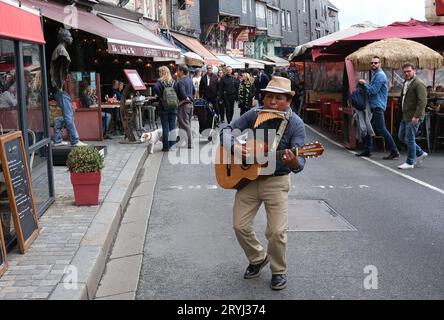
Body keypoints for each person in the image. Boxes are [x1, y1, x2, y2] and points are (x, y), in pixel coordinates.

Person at [220, 76, 306, 291]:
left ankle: (278, 270)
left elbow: (300, 163)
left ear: (288, 101)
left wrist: (294, 160)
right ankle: (258, 257)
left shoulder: (295, 124)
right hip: (248, 180)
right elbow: (226, 130)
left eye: (278, 98)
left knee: (276, 232)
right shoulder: (255, 113)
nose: (272, 102)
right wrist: (236, 149)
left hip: (276, 181)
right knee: (239, 225)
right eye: (269, 96)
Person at [357, 56, 399, 159]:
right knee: (368, 127)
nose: (373, 64)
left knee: (381, 128)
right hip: (374, 105)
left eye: (375, 63)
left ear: (380, 64)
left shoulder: (380, 75)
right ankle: (368, 150)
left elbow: (373, 90)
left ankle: (394, 150)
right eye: (372, 63)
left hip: (377, 106)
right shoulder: (376, 75)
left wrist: (364, 83)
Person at [50, 28, 86, 147]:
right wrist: (62, 87)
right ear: (64, 37)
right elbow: (61, 73)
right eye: (69, 36)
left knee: (67, 114)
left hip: (59, 89)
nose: (71, 38)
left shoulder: (60, 50)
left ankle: (57, 139)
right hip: (60, 89)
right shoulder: (61, 51)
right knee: (68, 115)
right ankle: (75, 140)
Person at [397, 63, 428, 169]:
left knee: (410, 139)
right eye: (405, 72)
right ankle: (420, 153)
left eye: (408, 71)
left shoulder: (418, 83)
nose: (406, 73)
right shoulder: (407, 82)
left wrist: (417, 116)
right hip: (406, 115)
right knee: (401, 137)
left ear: (414, 70)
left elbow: (423, 101)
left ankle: (410, 162)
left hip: (413, 116)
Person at [154, 66, 178, 152]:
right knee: (172, 126)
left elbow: (155, 88)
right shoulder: (173, 82)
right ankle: (173, 145)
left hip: (163, 107)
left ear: (161, 73)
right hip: (173, 106)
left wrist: (160, 96)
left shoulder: (159, 82)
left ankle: (166, 147)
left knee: (165, 127)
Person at [176, 65, 195, 149]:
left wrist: (186, 98)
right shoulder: (190, 80)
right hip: (190, 105)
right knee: (186, 123)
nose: (177, 72)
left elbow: (183, 93)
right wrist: (190, 99)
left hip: (184, 105)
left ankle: (190, 143)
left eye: (178, 70)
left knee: (185, 124)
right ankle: (181, 140)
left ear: (182, 71)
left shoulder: (181, 81)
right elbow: (194, 91)